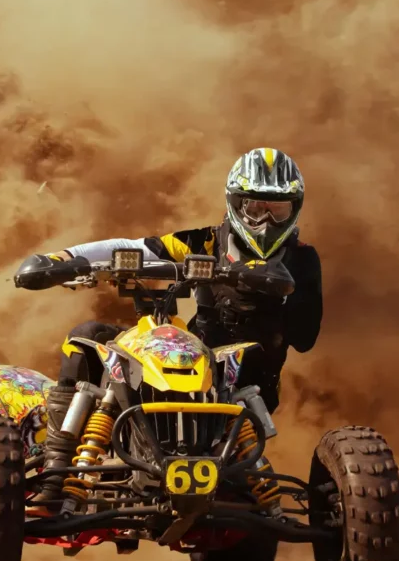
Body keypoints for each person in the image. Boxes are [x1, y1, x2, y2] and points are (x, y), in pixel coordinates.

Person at [25, 147, 322, 499]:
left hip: (246, 392)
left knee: (238, 504)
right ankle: (57, 468)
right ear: (236, 204)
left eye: (278, 211)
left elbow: (305, 338)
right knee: (87, 338)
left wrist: (277, 292)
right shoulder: (207, 241)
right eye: (255, 209)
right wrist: (66, 257)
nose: (265, 223)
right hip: (184, 366)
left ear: (294, 210)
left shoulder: (302, 259)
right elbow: (140, 248)